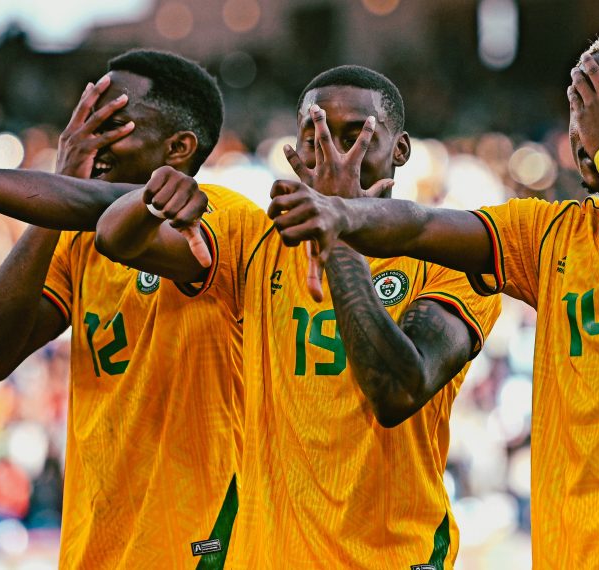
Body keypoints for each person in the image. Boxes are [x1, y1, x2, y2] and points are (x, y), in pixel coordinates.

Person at [267, 30, 599, 569]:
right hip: (567, 554)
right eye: (583, 108)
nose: (594, 128)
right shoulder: (546, 234)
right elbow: (419, 225)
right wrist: (343, 214)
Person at [0, 49, 256, 569]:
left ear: (178, 147)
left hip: (201, 549)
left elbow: (110, 220)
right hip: (96, 550)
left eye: (112, 122)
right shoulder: (76, 242)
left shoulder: (224, 217)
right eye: (86, 117)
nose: (88, 135)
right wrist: (58, 190)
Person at [93, 65, 501, 568]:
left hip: (388, 556)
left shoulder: (450, 259)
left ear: (401, 151)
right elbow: (113, 238)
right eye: (315, 138)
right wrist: (150, 202)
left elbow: (395, 393)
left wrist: (342, 234)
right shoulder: (255, 240)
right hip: (266, 555)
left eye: (355, 137)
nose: (331, 156)